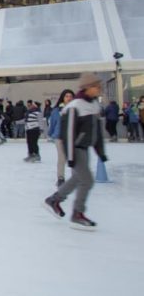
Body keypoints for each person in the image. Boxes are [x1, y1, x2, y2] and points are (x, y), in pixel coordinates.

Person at [44, 73, 106, 230]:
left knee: (78, 178)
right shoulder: (74, 106)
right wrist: (70, 156)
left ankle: (54, 199)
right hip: (75, 148)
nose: (99, 89)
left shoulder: (94, 105)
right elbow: (69, 133)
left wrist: (100, 152)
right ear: (87, 87)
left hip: (85, 147)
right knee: (87, 180)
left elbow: (97, 131)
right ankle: (77, 213)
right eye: (96, 86)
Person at [48, 89, 75, 186]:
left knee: (73, 158)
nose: (69, 98)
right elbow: (53, 123)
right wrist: (50, 133)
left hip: (72, 137)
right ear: (63, 98)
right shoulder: (56, 110)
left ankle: (74, 178)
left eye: (71, 96)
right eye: (67, 96)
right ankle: (60, 178)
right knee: (62, 158)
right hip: (59, 137)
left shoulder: (76, 109)